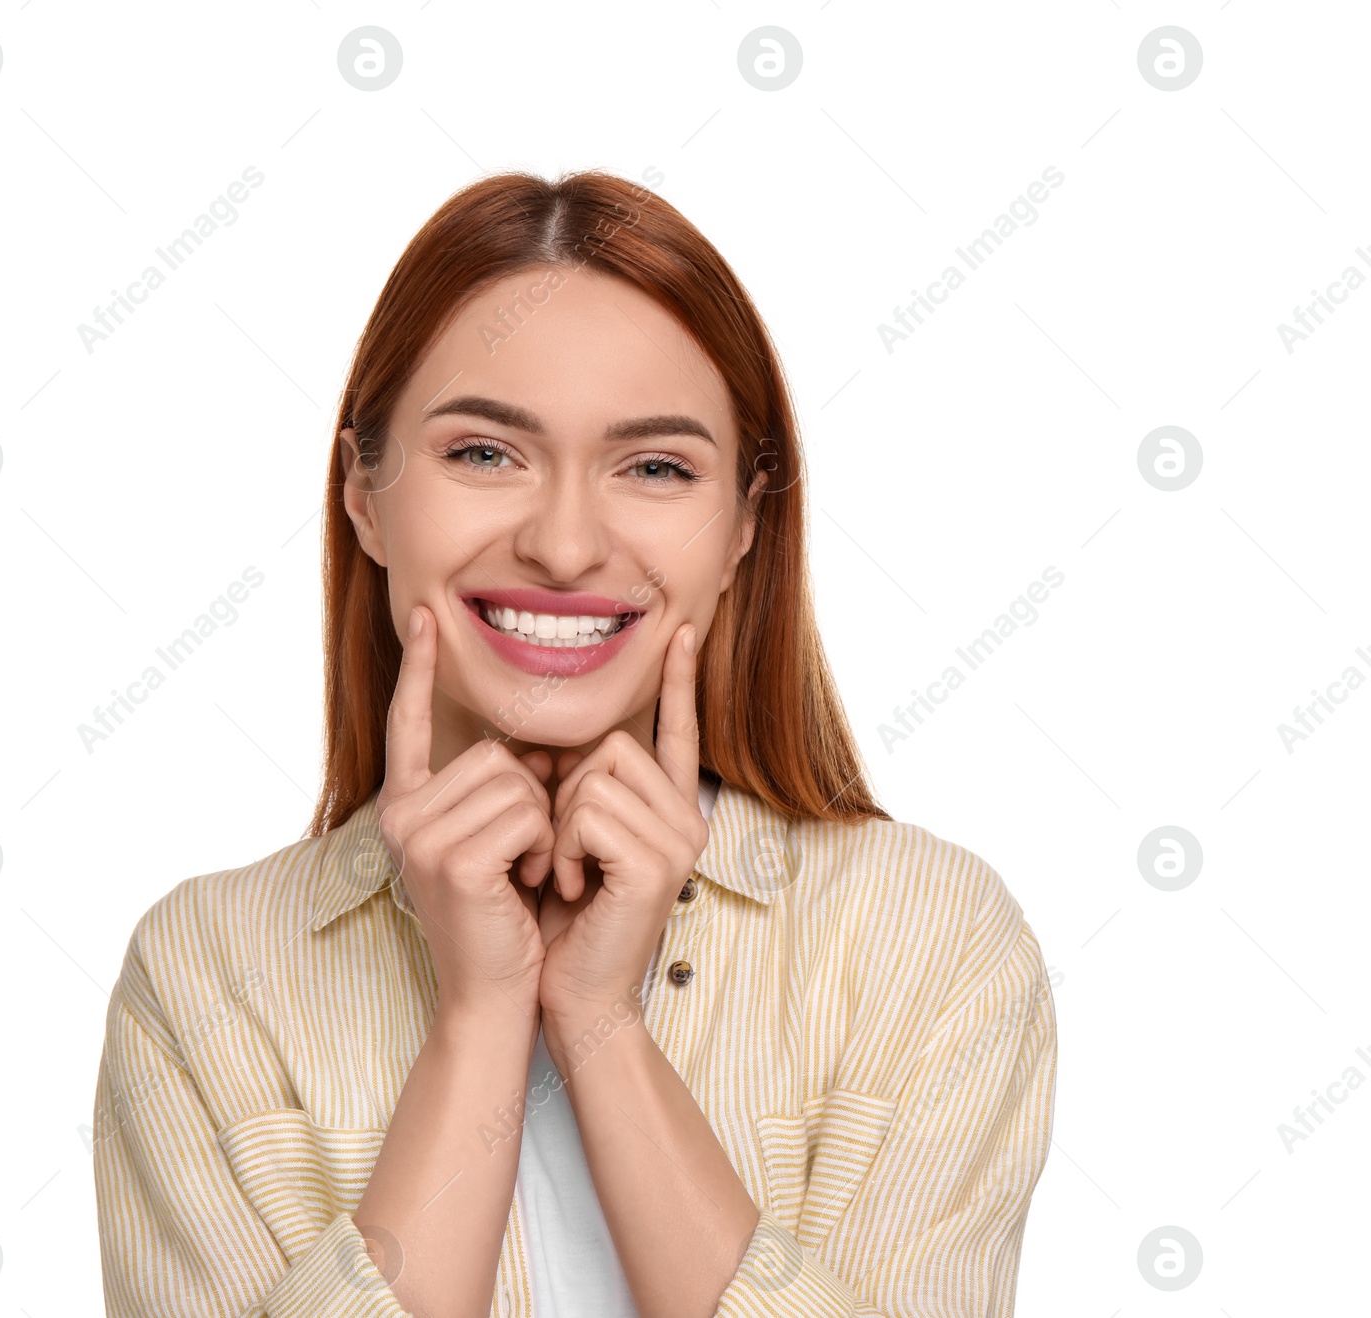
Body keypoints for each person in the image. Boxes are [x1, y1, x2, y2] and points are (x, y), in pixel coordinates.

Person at [92, 170, 1058, 1317]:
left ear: (745, 522)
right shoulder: (204, 973)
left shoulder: (928, 939)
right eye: (484, 454)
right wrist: (480, 1016)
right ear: (363, 490)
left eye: (654, 467)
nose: (561, 544)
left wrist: (601, 1025)